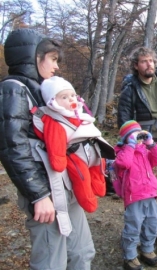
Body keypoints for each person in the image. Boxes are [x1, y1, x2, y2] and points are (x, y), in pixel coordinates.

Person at [0, 29, 95, 269]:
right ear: (34, 56)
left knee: (82, 252)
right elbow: (13, 148)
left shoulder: (41, 92)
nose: (56, 66)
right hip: (46, 193)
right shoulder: (13, 89)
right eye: (52, 59)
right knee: (51, 262)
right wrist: (38, 196)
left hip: (66, 187)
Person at [35, 76, 114, 213]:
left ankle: (100, 188)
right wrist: (58, 160)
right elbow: (55, 142)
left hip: (91, 149)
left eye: (72, 95)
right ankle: (88, 201)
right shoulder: (54, 121)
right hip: (75, 154)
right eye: (64, 97)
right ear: (53, 101)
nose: (71, 99)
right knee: (81, 177)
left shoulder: (80, 115)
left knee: (98, 169)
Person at [113, 120, 157, 270]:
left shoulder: (144, 150)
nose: (138, 139)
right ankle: (130, 256)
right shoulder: (122, 152)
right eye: (134, 136)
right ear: (126, 138)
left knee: (153, 222)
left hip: (150, 194)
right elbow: (123, 164)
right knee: (134, 225)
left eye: (139, 135)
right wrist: (129, 145)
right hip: (134, 196)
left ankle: (147, 249)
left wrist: (150, 142)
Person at [117, 47, 157, 146]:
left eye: (151, 60)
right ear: (136, 65)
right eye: (144, 61)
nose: (149, 64)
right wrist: (133, 140)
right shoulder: (129, 90)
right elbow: (124, 120)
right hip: (141, 141)